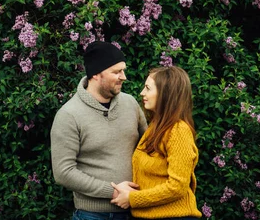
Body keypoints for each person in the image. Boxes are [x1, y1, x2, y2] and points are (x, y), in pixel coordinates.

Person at [51, 41, 148, 220]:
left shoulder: (130, 104)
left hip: (136, 210)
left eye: (123, 70)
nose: (124, 77)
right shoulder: (69, 115)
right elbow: (63, 172)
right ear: (96, 73)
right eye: (116, 72)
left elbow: (150, 145)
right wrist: (112, 191)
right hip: (92, 215)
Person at [111, 66, 202, 219]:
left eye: (148, 88)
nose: (142, 93)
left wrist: (132, 199)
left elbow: (177, 187)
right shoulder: (156, 126)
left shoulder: (178, 130)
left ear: (166, 93)